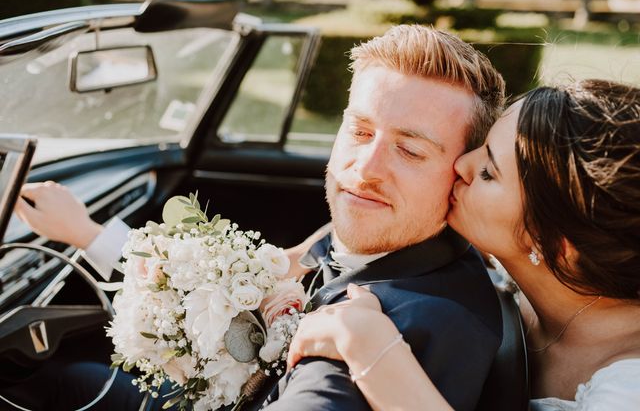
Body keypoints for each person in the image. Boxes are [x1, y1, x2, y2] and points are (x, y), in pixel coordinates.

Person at [16, 25, 506, 410]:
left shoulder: (405, 326)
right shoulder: (369, 237)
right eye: (360, 131)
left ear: (462, 172)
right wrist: (86, 233)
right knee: (71, 381)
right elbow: (239, 271)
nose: (366, 169)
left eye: (410, 150)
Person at [285, 79, 640, 410]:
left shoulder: (628, 389)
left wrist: (373, 353)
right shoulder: (534, 264)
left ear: (555, 246)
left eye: (488, 172)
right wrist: (304, 254)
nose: (462, 164)